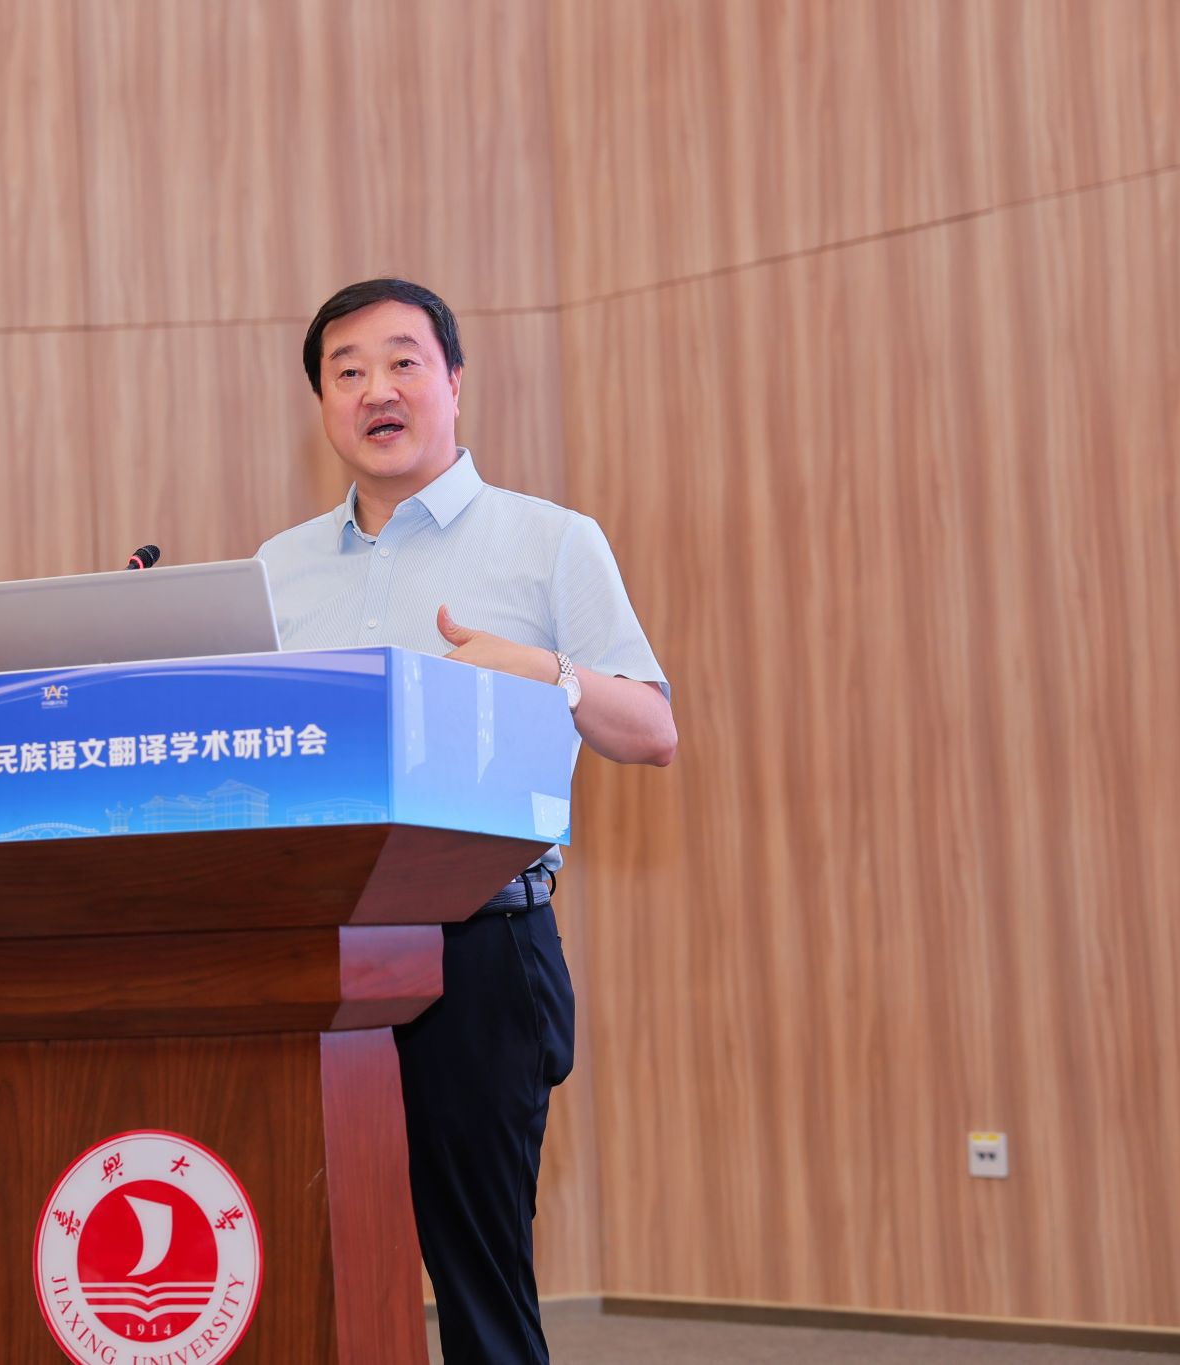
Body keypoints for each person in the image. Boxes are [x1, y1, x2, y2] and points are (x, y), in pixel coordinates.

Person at [257, 278, 675, 1363]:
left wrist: (547, 673)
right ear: (321, 405)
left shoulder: (547, 540)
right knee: (302, 1266)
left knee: (477, 1282)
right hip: (307, 950)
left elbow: (651, 730)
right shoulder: (276, 569)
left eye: (402, 361)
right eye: (346, 371)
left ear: (453, 381)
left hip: (476, 946)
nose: (376, 389)